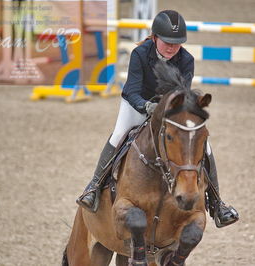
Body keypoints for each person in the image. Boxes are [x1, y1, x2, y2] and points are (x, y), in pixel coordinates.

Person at [77, 10, 238, 228]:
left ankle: (218, 203)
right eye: (167, 42)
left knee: (205, 146)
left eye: (177, 43)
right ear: (154, 37)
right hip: (137, 103)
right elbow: (131, 90)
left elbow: (183, 94)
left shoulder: (186, 59)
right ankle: (94, 188)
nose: (172, 47)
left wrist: (166, 109)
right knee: (118, 134)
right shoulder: (140, 54)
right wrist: (146, 106)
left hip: (168, 110)